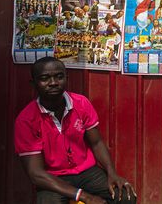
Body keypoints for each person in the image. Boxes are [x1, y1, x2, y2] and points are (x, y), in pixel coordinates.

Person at [14, 57, 137, 204]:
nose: (53, 83)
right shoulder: (26, 120)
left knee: (125, 197)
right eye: (45, 78)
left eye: (59, 77)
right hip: (53, 178)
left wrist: (112, 173)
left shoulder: (81, 103)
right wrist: (85, 196)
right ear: (33, 84)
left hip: (86, 172)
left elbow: (96, 143)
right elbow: (36, 174)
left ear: (66, 78)